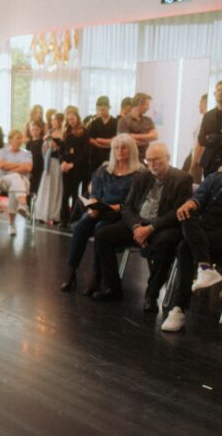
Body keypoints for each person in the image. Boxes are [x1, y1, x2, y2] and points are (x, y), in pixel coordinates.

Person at [92, 142, 192, 311]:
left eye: (157, 160)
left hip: (162, 227)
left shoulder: (182, 179)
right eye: (149, 160)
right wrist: (137, 227)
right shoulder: (142, 177)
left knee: (166, 242)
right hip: (138, 223)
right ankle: (112, 287)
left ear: (167, 158)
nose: (152, 164)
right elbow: (128, 206)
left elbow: (176, 213)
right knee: (103, 235)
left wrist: (150, 229)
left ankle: (151, 296)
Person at [60, 134, 141, 293]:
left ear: (132, 150)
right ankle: (71, 273)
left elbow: (137, 201)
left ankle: (96, 276)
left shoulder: (139, 173)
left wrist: (120, 206)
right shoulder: (104, 169)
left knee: (100, 230)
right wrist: (92, 206)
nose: (120, 151)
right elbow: (95, 193)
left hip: (121, 214)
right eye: (116, 147)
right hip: (101, 210)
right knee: (82, 225)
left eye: (124, 147)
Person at [161, 169, 222, 331]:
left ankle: (178, 309)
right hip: (204, 234)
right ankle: (204, 267)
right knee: (186, 213)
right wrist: (190, 204)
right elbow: (199, 197)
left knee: (184, 247)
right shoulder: (214, 177)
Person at [0, 129, 32, 236]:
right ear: (10, 140)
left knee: (15, 185)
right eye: (18, 138)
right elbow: (1, 165)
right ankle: (23, 205)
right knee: (16, 178)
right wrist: (20, 166)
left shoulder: (27, 153)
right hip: (4, 181)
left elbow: (28, 168)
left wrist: (10, 167)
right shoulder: (2, 151)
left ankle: (12, 224)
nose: (20, 141)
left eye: (21, 138)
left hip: (23, 181)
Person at [59, 106, 88, 228]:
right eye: (69, 119)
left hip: (78, 167)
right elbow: (62, 150)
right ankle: (64, 220)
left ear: (77, 117)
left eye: (73, 118)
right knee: (65, 194)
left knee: (75, 194)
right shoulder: (65, 132)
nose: (71, 121)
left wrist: (73, 164)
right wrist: (62, 162)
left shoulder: (84, 131)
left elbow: (85, 153)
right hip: (66, 167)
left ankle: (74, 219)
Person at [34, 112, 64, 225]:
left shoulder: (63, 133)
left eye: (55, 120)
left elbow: (63, 149)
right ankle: (42, 213)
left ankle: (54, 215)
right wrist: (46, 146)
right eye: (52, 120)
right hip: (48, 162)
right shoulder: (50, 132)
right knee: (46, 187)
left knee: (55, 188)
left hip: (57, 162)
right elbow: (44, 148)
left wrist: (57, 147)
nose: (53, 122)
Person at [194, 81, 222, 180]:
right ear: (214, 94)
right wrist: (217, 139)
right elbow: (201, 139)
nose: (220, 93)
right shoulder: (208, 115)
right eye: (218, 90)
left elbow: (209, 138)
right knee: (207, 191)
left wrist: (212, 138)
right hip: (209, 162)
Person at [117, 92, 157, 160]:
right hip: (128, 160)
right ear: (139, 104)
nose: (148, 108)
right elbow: (125, 142)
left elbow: (154, 136)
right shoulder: (123, 121)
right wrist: (146, 139)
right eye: (147, 105)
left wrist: (133, 136)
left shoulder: (148, 120)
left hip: (144, 159)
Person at [87, 96, 118, 174]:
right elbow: (90, 139)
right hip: (96, 156)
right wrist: (104, 144)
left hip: (110, 155)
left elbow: (115, 139)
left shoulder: (115, 122)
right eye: (99, 110)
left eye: (103, 109)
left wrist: (99, 140)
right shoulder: (94, 122)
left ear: (109, 107)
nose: (101, 112)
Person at [24, 119, 45, 197]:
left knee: (39, 191)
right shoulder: (29, 143)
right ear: (30, 131)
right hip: (31, 169)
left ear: (40, 130)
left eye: (36, 130)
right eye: (32, 130)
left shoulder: (43, 142)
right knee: (29, 190)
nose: (34, 132)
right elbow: (26, 156)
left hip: (40, 169)